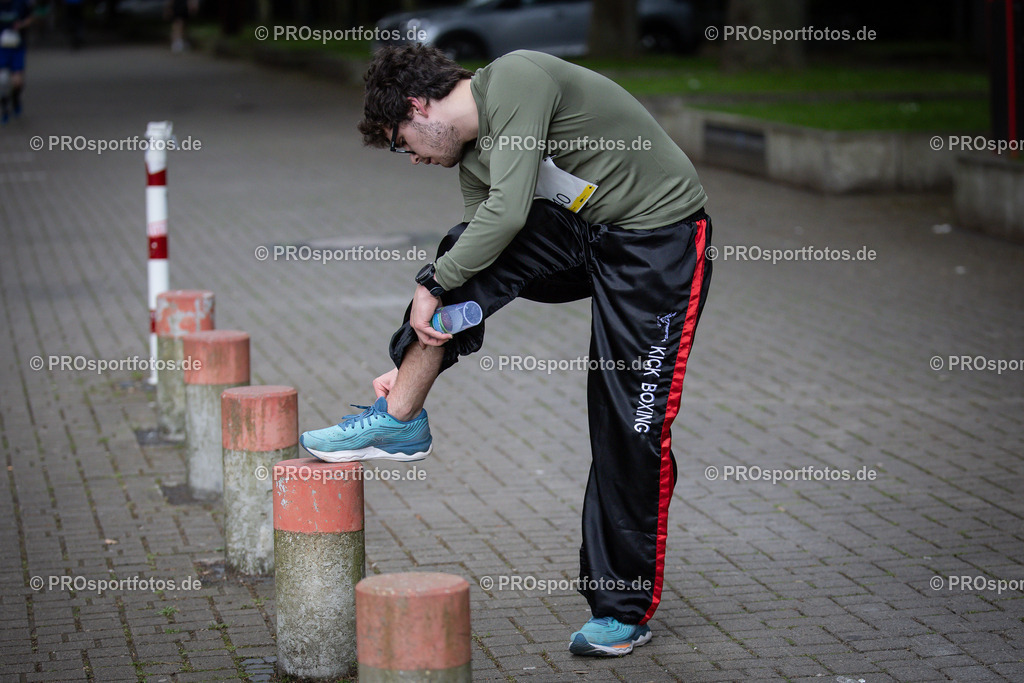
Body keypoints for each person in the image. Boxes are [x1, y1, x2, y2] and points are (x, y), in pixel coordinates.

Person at [301, 44, 713, 657]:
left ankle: (624, 608)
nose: (410, 157)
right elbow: (479, 253)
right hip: (582, 233)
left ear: (419, 107)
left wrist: (431, 281)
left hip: (656, 241)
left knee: (628, 423)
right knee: (460, 254)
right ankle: (401, 416)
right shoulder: (472, 160)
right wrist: (418, 342)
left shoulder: (517, 77)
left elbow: (512, 206)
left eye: (400, 142)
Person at [0, 0, 32, 124]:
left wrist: (22, 24)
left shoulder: (20, 4)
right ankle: (4, 109)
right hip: (2, 48)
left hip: (17, 47)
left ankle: (15, 99)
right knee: (2, 80)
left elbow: (29, 18)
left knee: (17, 81)